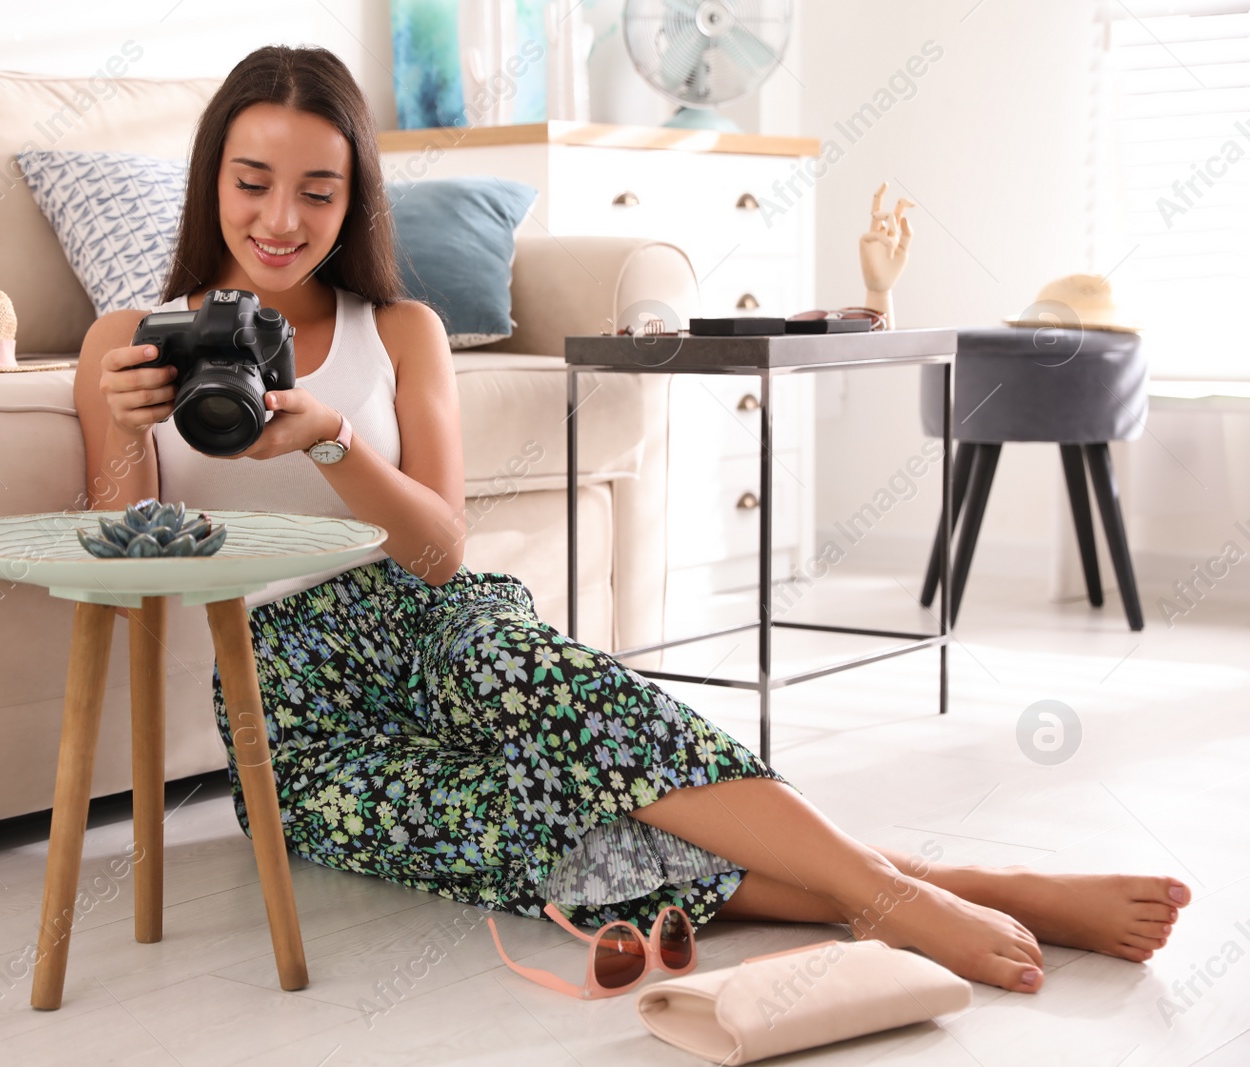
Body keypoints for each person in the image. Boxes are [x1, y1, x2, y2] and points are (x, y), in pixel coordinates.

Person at [73, 44, 1188, 996]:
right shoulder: (128, 338)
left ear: (353, 196)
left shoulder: (398, 327)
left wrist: (330, 439)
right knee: (532, 826)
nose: (280, 219)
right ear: (210, 180)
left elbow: (439, 550)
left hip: (420, 611)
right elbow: (134, 571)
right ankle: (976, 886)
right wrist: (132, 431)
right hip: (286, 691)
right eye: (252, 181)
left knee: (556, 694)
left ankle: (889, 896)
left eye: (317, 190)